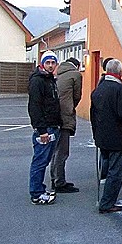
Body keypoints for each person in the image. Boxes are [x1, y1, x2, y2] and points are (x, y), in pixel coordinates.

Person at [90, 59, 122, 213]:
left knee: (107, 166)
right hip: (117, 137)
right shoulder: (120, 89)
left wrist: (96, 134)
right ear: (119, 73)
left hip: (102, 136)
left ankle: (104, 199)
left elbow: (92, 114)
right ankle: (107, 203)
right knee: (115, 172)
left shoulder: (98, 89)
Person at [27, 50, 63, 205]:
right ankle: (36, 193)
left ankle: (39, 189)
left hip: (52, 126)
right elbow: (34, 107)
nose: (50, 65)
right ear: (42, 63)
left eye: (53, 62)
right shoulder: (38, 81)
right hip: (45, 128)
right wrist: (41, 130)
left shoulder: (49, 79)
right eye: (47, 62)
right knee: (40, 161)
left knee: (44, 160)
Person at [50, 57, 82, 193]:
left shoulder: (58, 74)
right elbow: (77, 96)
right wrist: (71, 108)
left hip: (54, 116)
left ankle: (55, 178)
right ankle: (59, 182)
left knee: (55, 150)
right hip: (64, 116)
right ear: (76, 66)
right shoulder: (75, 75)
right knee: (63, 151)